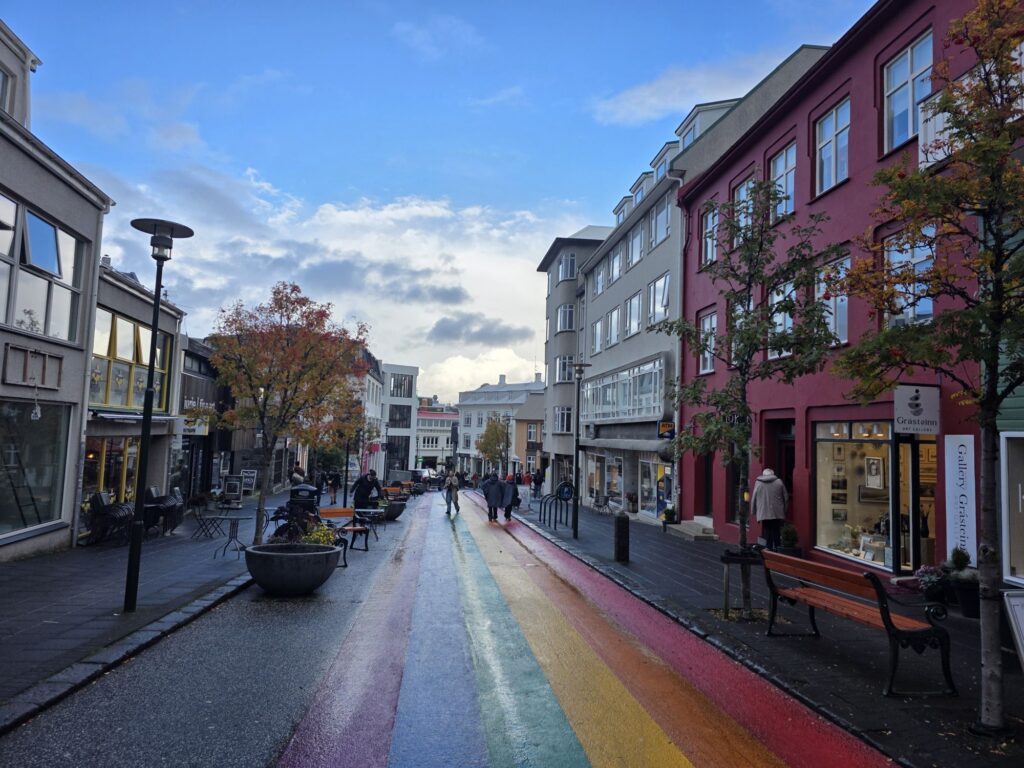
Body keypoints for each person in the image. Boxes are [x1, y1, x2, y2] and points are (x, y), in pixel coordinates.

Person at [751, 467, 789, 550]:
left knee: (766, 529)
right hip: (777, 511)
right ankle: (777, 547)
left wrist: (753, 510)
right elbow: (786, 497)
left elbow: (754, 497)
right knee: (776, 529)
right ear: (773, 474)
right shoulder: (779, 482)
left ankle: (768, 548)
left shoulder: (758, 483)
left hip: (763, 511)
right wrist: (784, 510)